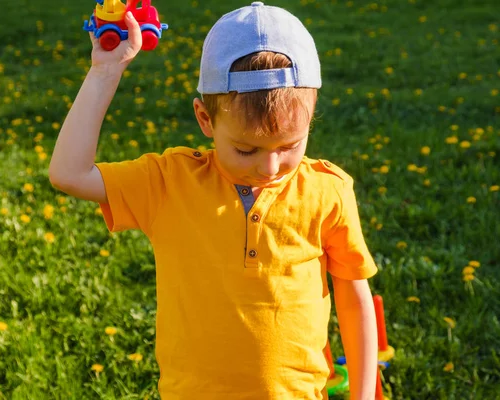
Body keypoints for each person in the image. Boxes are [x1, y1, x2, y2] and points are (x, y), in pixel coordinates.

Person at [49, 2, 378, 399]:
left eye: (289, 145)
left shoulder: (328, 190)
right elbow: (69, 174)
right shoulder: (170, 182)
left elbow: (354, 299)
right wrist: (105, 71)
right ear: (206, 119)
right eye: (245, 150)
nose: (270, 166)